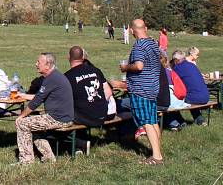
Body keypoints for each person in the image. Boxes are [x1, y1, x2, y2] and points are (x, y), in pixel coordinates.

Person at [13, 52, 74, 165]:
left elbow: (36, 102)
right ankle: (49, 158)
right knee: (33, 125)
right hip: (64, 117)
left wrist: (21, 116)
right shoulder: (55, 76)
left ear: (48, 65)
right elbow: (42, 96)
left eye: (39, 62)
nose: (36, 64)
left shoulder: (51, 78)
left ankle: (26, 161)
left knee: (22, 123)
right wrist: (24, 95)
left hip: (58, 118)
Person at [119, 19, 163, 165]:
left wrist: (126, 68)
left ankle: (156, 157)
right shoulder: (153, 43)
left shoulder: (139, 45)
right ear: (146, 28)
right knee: (153, 120)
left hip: (141, 89)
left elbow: (138, 66)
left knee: (146, 122)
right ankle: (158, 151)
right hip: (153, 87)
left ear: (132, 31)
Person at [64, 46, 114, 155]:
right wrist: (97, 104)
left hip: (85, 117)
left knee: (62, 117)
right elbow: (109, 92)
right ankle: (80, 144)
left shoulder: (67, 77)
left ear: (68, 57)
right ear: (83, 57)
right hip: (102, 114)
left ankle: (79, 143)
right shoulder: (96, 70)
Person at [172, 49, 210, 125]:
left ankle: (179, 121)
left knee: (173, 99)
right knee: (191, 95)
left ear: (176, 60)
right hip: (206, 96)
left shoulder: (177, 68)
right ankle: (200, 119)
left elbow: (172, 82)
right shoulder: (192, 65)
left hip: (194, 97)